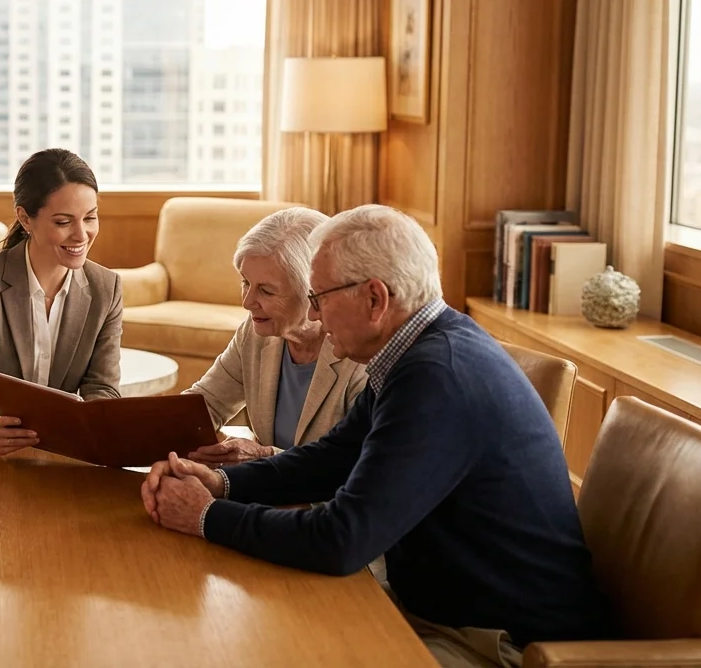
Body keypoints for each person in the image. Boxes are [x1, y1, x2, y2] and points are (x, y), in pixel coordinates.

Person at [141, 205, 614, 667]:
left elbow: (342, 538)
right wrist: (222, 484)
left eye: (320, 296)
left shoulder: (436, 378)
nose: (316, 315)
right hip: (435, 610)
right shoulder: (418, 354)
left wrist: (206, 517)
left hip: (498, 642)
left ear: (375, 299)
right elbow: (331, 458)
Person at [0, 149, 123, 455]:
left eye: (90, 217)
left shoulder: (106, 288)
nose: (81, 234)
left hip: (63, 459)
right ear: (25, 218)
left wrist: (90, 426)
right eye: (63, 222)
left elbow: (103, 389)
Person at [184, 208, 367, 466]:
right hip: (269, 496)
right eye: (245, 283)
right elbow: (206, 403)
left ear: (313, 291)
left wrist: (267, 458)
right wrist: (143, 431)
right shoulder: (258, 331)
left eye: (266, 291)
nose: (248, 303)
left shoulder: (361, 353)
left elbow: (359, 466)